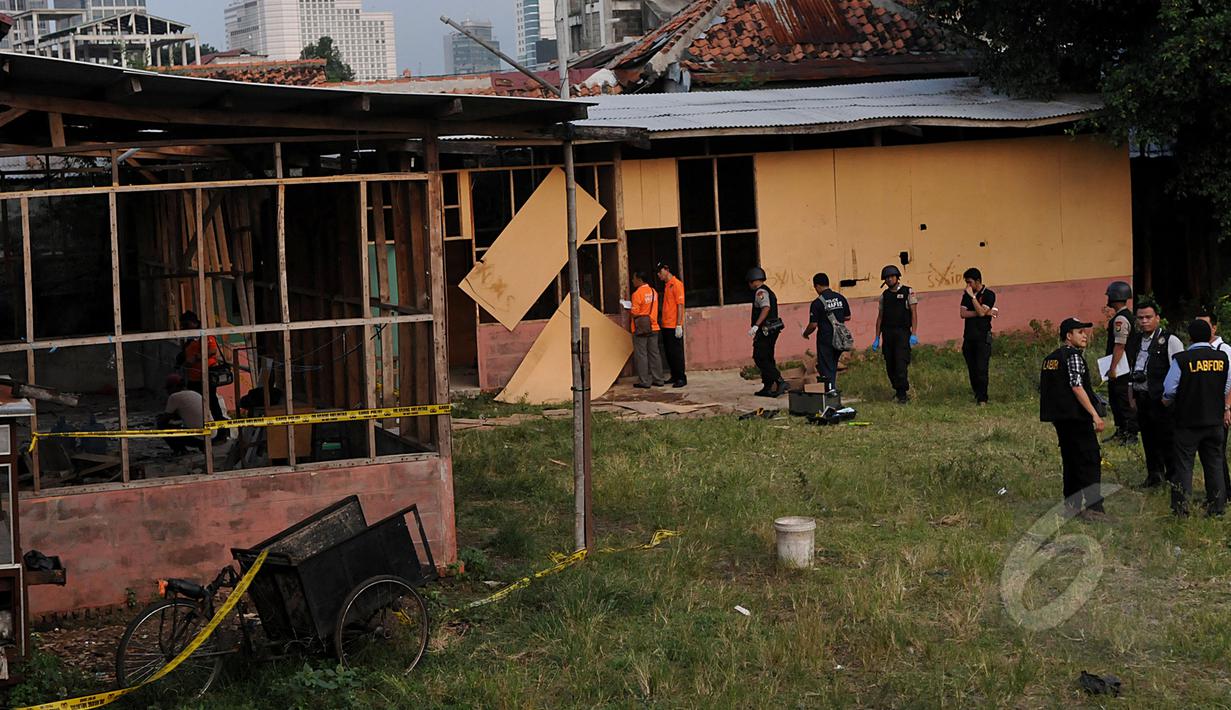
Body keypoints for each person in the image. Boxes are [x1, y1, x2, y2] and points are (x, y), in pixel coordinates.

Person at [1162, 319, 1231, 517]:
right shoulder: (1222, 358)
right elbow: (1227, 386)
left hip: (1188, 422)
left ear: (1189, 337)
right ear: (1210, 335)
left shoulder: (1182, 359)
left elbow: (1169, 389)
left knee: (1184, 465)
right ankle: (1217, 508)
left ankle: (1181, 509)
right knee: (1214, 464)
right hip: (1215, 421)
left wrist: (1166, 401)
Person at [1039, 318, 1107, 518]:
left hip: (1060, 419)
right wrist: (1095, 415)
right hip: (1077, 419)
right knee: (1089, 460)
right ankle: (1094, 508)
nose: (1085, 336)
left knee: (1071, 461)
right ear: (1069, 336)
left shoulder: (1050, 359)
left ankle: (1071, 506)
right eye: (1080, 332)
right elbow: (1077, 386)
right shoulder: (1073, 356)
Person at [1126, 301, 1184, 488]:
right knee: (1148, 439)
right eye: (1140, 318)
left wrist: (1171, 398)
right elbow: (1132, 367)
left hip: (1162, 400)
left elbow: (1180, 371)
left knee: (1168, 439)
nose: (1144, 321)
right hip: (1142, 397)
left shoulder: (1170, 340)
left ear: (1157, 318)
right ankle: (1154, 476)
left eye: (1148, 317)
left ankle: (1174, 478)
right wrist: (1131, 394)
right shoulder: (1135, 340)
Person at [177, 310, 228, 442]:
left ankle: (222, 432)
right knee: (196, 407)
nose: (184, 328)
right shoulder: (189, 337)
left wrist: (196, 358)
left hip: (206, 376)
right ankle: (202, 435)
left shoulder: (204, 333)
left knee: (213, 405)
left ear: (193, 323)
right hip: (193, 378)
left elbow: (212, 350)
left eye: (186, 324)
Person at [872, 265, 918, 403]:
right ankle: (897, 390)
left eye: (892, 276)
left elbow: (914, 313)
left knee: (900, 363)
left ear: (897, 277)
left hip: (902, 333)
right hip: (888, 333)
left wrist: (914, 333)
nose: (889, 279)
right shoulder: (884, 296)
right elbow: (880, 317)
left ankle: (903, 393)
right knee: (890, 364)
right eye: (886, 277)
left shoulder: (908, 292)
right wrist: (877, 337)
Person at [1197, 307, 1231, 494]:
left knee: (1217, 453)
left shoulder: (1225, 350)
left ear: (1214, 327)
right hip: (1202, 408)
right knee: (1208, 453)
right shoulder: (1195, 350)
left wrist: (1227, 408)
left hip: (1220, 408)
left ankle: (1223, 493)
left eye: (1204, 324)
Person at [801, 273, 850, 393]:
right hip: (840, 339)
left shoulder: (817, 303)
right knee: (833, 365)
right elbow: (847, 316)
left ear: (817, 286)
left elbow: (813, 325)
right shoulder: (840, 298)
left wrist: (805, 333)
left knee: (826, 367)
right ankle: (832, 388)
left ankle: (830, 391)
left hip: (826, 339)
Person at [1103, 281, 1138, 445]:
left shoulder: (1121, 319)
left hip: (1122, 368)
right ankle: (1121, 430)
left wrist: (1113, 368)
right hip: (1124, 366)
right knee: (1116, 399)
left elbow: (1119, 345)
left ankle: (1130, 433)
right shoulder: (1126, 316)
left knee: (1122, 399)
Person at [959, 267, 997, 404]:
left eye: (970, 282)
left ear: (978, 281)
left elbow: (981, 312)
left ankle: (983, 399)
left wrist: (974, 298)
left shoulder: (989, 295)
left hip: (983, 337)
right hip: (969, 337)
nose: (968, 286)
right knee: (972, 368)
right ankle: (976, 393)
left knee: (982, 368)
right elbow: (963, 314)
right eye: (966, 283)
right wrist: (984, 312)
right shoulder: (966, 296)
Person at [746, 266, 785, 397]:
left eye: (749, 282)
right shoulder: (768, 291)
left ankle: (779, 381)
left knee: (760, 357)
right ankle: (768, 386)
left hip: (765, 330)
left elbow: (766, 308)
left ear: (753, 280)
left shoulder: (760, 292)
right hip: (771, 329)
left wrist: (756, 325)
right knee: (767, 357)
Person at [627, 271, 667, 389]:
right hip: (653, 326)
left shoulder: (637, 294)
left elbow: (634, 313)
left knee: (642, 355)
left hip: (640, 328)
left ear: (639, 279)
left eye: (634, 278)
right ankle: (658, 379)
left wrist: (629, 308)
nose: (632, 281)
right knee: (654, 354)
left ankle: (644, 381)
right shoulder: (653, 292)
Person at [157, 374, 208, 455]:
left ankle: (180, 450)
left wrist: (161, 418)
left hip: (198, 437)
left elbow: (164, 420)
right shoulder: (195, 393)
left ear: (174, 387)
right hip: (210, 435)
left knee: (162, 425)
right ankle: (202, 447)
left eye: (168, 388)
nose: (167, 392)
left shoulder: (174, 397)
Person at [656, 262, 687, 388]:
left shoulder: (676, 284)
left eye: (660, 272)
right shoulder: (667, 285)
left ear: (666, 269)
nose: (659, 275)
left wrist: (679, 324)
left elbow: (680, 305)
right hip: (666, 325)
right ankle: (674, 375)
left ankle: (681, 377)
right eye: (658, 273)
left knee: (677, 353)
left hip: (674, 325)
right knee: (669, 352)